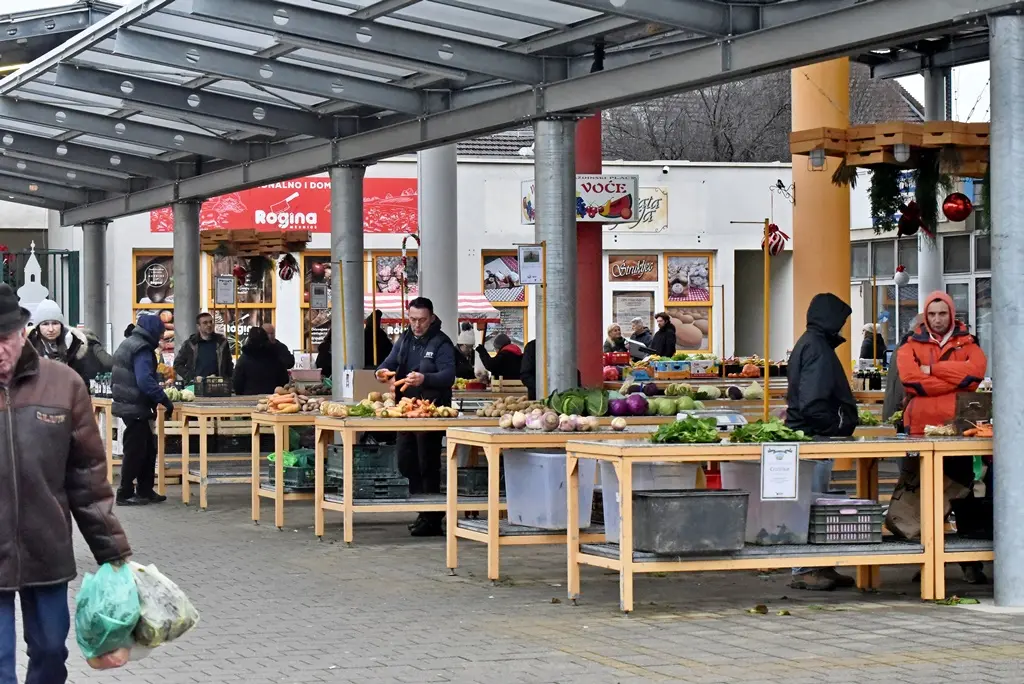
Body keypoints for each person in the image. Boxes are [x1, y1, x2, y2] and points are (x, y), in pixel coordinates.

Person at [0, 283, 132, 683]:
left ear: (24, 332)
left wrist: (112, 550)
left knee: (50, 651)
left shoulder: (64, 384)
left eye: (4, 339)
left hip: (47, 547)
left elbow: (87, 474)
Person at [894, 291, 988, 584]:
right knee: (922, 497)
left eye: (942, 313)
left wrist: (932, 369)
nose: (937, 319)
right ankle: (924, 560)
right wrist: (953, 381)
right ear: (925, 315)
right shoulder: (909, 345)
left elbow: (975, 375)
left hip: (961, 432)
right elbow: (911, 381)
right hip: (919, 433)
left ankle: (968, 561)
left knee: (963, 495)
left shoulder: (969, 343)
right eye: (932, 314)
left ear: (951, 314)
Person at [785, 293, 858, 591]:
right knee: (811, 502)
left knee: (812, 501)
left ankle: (820, 564)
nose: (843, 327)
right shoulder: (818, 349)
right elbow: (813, 403)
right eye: (841, 321)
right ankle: (805, 567)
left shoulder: (809, 343)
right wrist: (838, 425)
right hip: (814, 438)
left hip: (809, 436)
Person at [376, 297, 456, 537]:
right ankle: (423, 510)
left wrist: (425, 379)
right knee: (406, 460)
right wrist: (381, 373)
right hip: (406, 411)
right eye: (412, 319)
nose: (417, 325)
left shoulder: (441, 342)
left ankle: (432, 517)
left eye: (421, 320)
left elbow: (449, 376)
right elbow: (387, 364)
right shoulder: (405, 340)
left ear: (431, 318)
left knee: (428, 463)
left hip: (431, 411)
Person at [112, 314, 174, 506]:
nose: (162, 337)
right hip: (135, 406)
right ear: (153, 331)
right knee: (136, 450)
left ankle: (145, 490)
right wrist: (164, 399)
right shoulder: (142, 348)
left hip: (130, 403)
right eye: (161, 333)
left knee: (147, 449)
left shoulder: (130, 342)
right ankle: (125, 492)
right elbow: (144, 380)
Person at [27, 299, 112, 383]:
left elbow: (82, 384)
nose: (51, 329)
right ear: (38, 327)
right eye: (45, 324)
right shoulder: (26, 349)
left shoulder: (75, 347)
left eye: (55, 323)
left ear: (61, 325)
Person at [882, 314, 924, 424]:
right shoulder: (910, 346)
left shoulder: (903, 343)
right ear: (919, 326)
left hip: (895, 406)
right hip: (902, 408)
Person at [173, 312, 233, 384]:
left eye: (211, 322)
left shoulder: (222, 342)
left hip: (217, 385)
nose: (209, 325)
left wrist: (229, 380)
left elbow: (229, 364)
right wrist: (191, 377)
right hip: (196, 386)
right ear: (198, 326)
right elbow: (177, 364)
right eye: (205, 323)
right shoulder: (190, 343)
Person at [233, 327, 290, 396]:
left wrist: (240, 394)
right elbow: (284, 379)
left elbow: (237, 382)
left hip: (248, 396)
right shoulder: (275, 357)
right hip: (272, 398)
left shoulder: (244, 359)